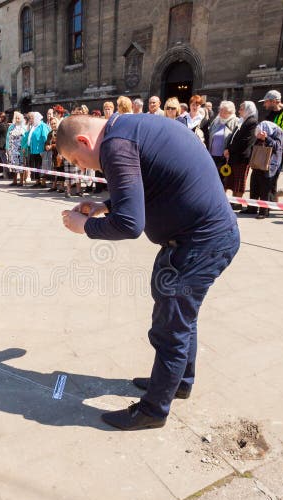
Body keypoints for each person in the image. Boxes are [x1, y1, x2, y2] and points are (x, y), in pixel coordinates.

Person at [56, 113, 239, 430]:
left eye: (76, 159)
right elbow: (151, 180)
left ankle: (154, 410)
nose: (83, 167)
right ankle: (179, 381)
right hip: (200, 239)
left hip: (200, 244)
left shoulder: (115, 146)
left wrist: (85, 226)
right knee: (180, 317)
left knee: (170, 327)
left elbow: (130, 225)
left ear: (85, 141)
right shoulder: (127, 128)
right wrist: (106, 205)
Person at [244, 121, 283, 219]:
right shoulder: (260, 131)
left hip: (269, 165)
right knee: (254, 186)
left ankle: (264, 211)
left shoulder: (278, 131)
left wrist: (266, 138)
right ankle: (251, 208)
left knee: (265, 189)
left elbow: (277, 147)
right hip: (258, 163)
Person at [224, 101, 258, 203]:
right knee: (232, 181)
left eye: (242, 109)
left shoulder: (252, 122)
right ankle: (233, 202)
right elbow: (233, 137)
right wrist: (228, 148)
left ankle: (237, 203)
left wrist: (230, 149)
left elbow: (245, 141)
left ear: (248, 109)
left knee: (239, 183)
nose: (239, 111)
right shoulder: (241, 121)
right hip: (234, 155)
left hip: (242, 157)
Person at [207, 101, 239, 175]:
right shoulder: (216, 120)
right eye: (220, 110)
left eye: (224, 111)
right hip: (212, 154)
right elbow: (210, 133)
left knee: (222, 176)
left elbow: (236, 139)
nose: (220, 112)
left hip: (224, 157)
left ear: (230, 112)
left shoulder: (236, 121)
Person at [22, 111, 51, 187]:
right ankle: (37, 181)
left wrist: (44, 149)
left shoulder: (42, 126)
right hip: (33, 149)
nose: (31, 120)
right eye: (31, 118)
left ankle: (43, 182)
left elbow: (45, 137)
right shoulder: (33, 126)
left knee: (41, 166)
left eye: (33, 118)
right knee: (35, 166)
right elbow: (28, 137)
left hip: (40, 150)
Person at [6, 112, 26, 186]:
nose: (17, 119)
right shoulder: (11, 127)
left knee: (21, 164)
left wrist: (24, 147)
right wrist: (7, 147)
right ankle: (14, 180)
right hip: (12, 149)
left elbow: (25, 138)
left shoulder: (24, 127)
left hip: (20, 149)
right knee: (13, 164)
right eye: (16, 118)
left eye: (19, 118)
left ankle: (21, 181)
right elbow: (7, 138)